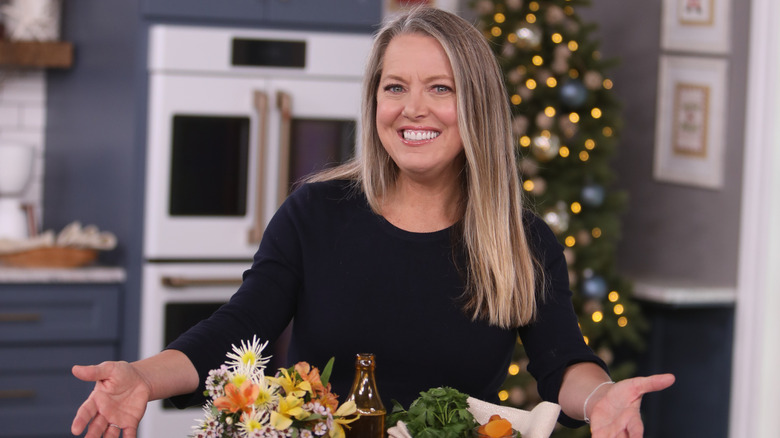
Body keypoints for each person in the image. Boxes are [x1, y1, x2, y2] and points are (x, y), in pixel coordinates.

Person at [71, 7, 674, 438]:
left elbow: (562, 361)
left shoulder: (521, 241)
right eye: (395, 87)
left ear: (478, 108)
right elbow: (241, 327)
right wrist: (142, 379)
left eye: (442, 88)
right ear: (374, 103)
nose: (414, 108)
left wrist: (598, 396)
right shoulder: (317, 212)